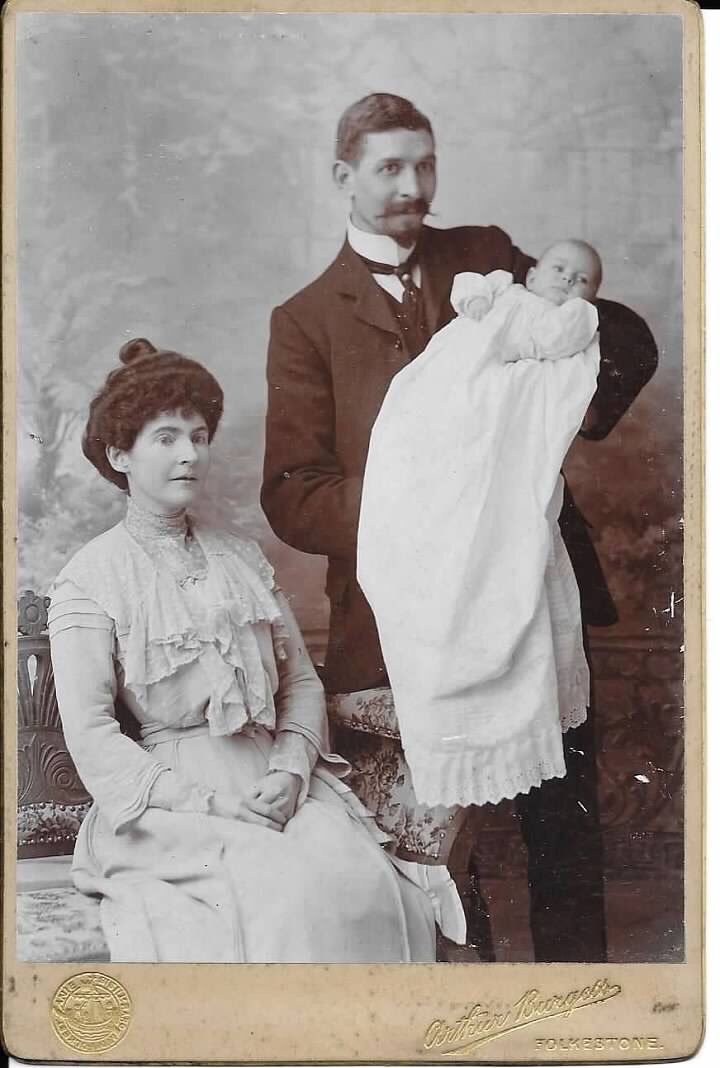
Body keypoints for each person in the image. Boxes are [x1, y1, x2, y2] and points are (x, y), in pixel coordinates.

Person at [261, 93, 658, 962]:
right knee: (432, 866)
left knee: (560, 832)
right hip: (400, 614)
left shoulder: (486, 256)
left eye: (426, 163)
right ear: (343, 178)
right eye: (390, 167)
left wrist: (574, 346)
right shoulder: (305, 320)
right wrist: (427, 498)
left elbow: (611, 347)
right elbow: (293, 493)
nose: (414, 184)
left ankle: (572, 1012)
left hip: (529, 584)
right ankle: (453, 1023)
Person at [47, 338, 438, 964]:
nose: (190, 455)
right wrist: (210, 803)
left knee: (363, 883)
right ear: (120, 455)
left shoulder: (241, 557)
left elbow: (301, 686)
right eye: (167, 438)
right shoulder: (92, 577)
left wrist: (288, 771)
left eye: (199, 437)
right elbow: (91, 733)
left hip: (273, 781)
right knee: (285, 894)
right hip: (167, 805)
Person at [357, 241, 603, 809]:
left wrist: (548, 335)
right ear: (532, 270)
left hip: (503, 446)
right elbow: (470, 287)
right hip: (442, 423)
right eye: (559, 269)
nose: (568, 282)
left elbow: (562, 339)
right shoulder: (498, 287)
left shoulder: (570, 317)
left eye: (583, 279)